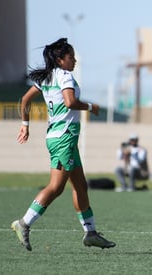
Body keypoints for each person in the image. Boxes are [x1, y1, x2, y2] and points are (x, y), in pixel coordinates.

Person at [11, 38, 115, 251]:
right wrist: (90, 106)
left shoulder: (47, 77)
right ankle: (24, 223)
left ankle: (91, 233)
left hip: (60, 138)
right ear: (60, 60)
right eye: (71, 57)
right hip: (64, 138)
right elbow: (70, 102)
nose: (74, 60)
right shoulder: (65, 75)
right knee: (56, 187)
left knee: (80, 186)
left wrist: (25, 124)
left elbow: (24, 99)